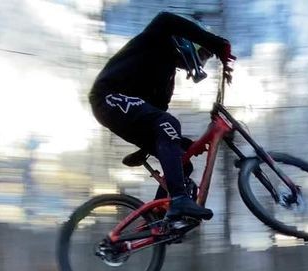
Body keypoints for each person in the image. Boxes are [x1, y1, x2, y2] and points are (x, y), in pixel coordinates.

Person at [88, 11, 235, 222]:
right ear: (189, 40)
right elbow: (166, 18)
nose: (201, 62)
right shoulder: (157, 38)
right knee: (169, 123)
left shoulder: (167, 82)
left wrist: (182, 144)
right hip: (107, 96)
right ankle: (178, 199)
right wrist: (217, 44)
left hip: (123, 111)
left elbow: (156, 123)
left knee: (183, 162)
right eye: (202, 54)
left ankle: (159, 220)